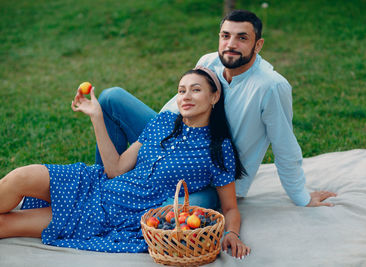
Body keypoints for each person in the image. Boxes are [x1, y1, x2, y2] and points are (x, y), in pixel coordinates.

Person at [95, 9, 336, 210]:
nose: (231, 44)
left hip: (213, 178)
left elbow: (284, 144)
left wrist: (301, 197)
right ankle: (102, 185)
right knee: (111, 97)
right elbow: (177, 104)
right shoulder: (209, 62)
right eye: (225, 36)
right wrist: (156, 148)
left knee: (171, 211)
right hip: (178, 148)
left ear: (258, 44)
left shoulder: (271, 87)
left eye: (242, 38)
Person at [0, 67, 250, 259]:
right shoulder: (162, 123)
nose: (185, 96)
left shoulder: (218, 149)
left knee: (6, 224)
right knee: (19, 177)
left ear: (214, 97)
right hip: (94, 184)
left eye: (195, 90)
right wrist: (97, 115)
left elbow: (229, 207)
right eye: (181, 90)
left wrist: (232, 234)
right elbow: (115, 169)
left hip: (112, 214)